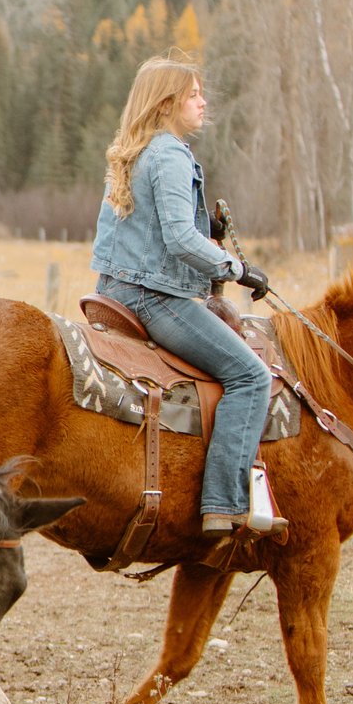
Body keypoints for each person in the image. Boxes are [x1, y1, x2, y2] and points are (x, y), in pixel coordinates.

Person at [89, 55, 277, 535]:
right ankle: (223, 504)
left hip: (112, 291)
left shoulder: (133, 150)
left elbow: (154, 228)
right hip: (154, 298)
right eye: (194, 95)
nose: (202, 103)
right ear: (168, 103)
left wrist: (204, 229)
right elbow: (176, 239)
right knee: (251, 376)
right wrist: (238, 268)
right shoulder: (170, 154)